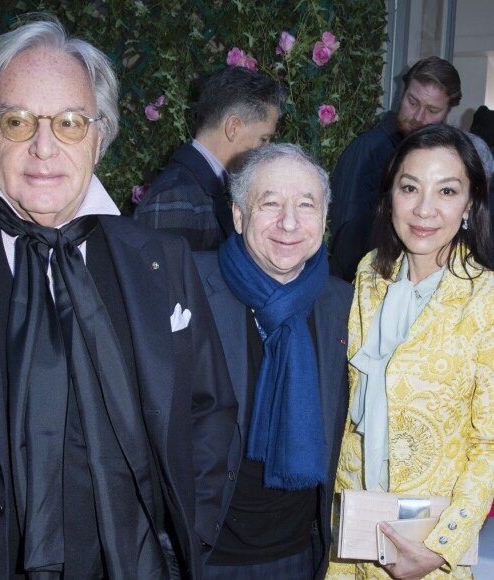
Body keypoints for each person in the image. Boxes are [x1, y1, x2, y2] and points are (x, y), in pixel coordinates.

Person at [0, 17, 238, 579]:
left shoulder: (165, 261)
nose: (44, 146)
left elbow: (209, 413)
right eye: (16, 121)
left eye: (69, 122)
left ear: (99, 133)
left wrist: (186, 536)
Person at [327, 125, 494, 579]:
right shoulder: (368, 276)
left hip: (427, 543)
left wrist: (443, 546)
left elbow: (490, 445)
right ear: (390, 196)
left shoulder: (486, 299)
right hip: (349, 531)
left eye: (446, 190)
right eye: (409, 188)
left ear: (470, 204)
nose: (424, 209)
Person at [194, 143, 353, 580]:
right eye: (270, 203)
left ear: (324, 218)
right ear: (239, 216)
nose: (289, 222)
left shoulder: (344, 303)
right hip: (203, 554)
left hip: (300, 553)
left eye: (306, 204)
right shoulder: (187, 288)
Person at [329, 56, 462, 282]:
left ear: (448, 111)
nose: (418, 117)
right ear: (402, 92)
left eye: (432, 110)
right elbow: (346, 238)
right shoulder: (368, 149)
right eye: (412, 102)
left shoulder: (443, 157)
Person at [134, 66, 286, 251]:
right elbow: (164, 278)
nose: (265, 149)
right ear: (233, 127)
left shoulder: (202, 186)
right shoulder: (175, 196)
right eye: (263, 139)